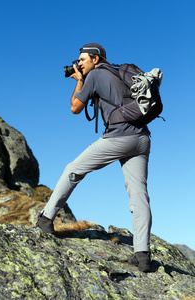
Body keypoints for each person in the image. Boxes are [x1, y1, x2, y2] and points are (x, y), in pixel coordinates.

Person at [37, 43, 152, 272]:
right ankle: (143, 255)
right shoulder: (119, 73)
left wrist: (79, 79)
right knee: (139, 194)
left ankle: (45, 220)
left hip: (119, 137)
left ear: (96, 59)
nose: (78, 63)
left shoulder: (96, 74)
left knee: (73, 169)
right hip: (142, 139)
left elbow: (75, 108)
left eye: (82, 59)